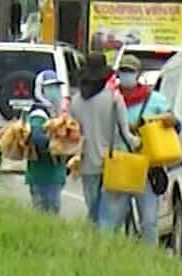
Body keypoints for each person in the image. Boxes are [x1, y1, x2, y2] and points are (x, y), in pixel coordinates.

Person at [68, 54, 135, 231]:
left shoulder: (75, 102)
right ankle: (104, 248)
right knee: (109, 214)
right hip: (111, 161)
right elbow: (126, 133)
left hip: (86, 162)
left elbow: (72, 133)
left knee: (92, 210)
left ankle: (92, 246)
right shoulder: (114, 97)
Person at [116, 55, 174, 245]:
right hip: (120, 164)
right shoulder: (111, 100)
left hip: (148, 167)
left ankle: (149, 260)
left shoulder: (155, 100)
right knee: (116, 221)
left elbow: (175, 124)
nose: (126, 75)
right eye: (123, 71)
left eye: (130, 71)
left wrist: (165, 120)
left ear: (138, 74)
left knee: (149, 221)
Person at [24, 70, 72, 215]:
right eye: (50, 88)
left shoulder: (56, 114)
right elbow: (37, 138)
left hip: (55, 175)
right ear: (40, 90)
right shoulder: (38, 114)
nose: (55, 92)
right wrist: (59, 142)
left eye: (57, 87)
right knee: (45, 217)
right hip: (42, 175)